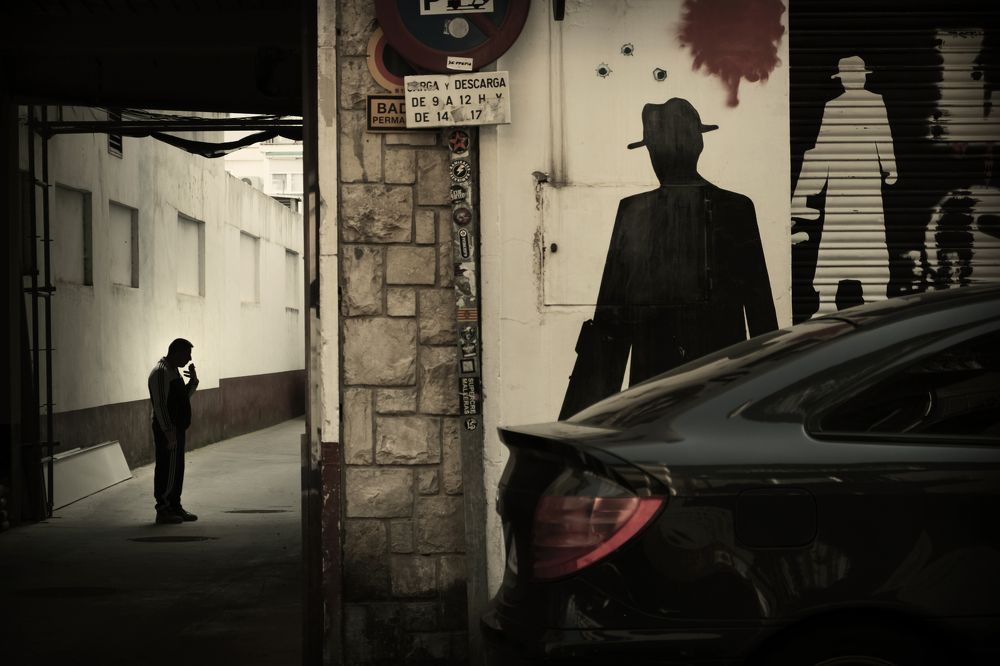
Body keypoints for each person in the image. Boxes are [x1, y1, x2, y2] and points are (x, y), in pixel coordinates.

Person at [560, 98, 778, 419]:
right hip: (723, 382)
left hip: (653, 387)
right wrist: (768, 398)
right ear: (698, 144)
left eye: (653, 149)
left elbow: (611, 319)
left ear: (654, 152)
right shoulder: (737, 208)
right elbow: (762, 318)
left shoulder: (633, 211)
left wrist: (589, 413)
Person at [791, 55, 897, 316]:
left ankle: (866, 296)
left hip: (858, 180)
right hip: (850, 180)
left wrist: (889, 166)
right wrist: (889, 168)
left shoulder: (871, 102)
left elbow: (883, 137)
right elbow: (824, 144)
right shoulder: (836, 105)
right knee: (845, 236)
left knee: (856, 236)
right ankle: (831, 300)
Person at [148, 338, 199, 524]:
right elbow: (160, 405)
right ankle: (163, 509)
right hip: (167, 429)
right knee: (167, 468)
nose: (189, 359)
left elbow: (182, 398)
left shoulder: (173, 371)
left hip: (176, 428)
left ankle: (175, 506)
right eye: (187, 354)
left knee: (177, 468)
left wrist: (193, 381)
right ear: (176, 352)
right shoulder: (161, 372)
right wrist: (168, 432)